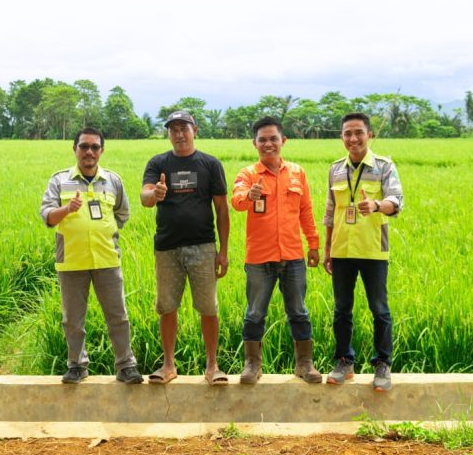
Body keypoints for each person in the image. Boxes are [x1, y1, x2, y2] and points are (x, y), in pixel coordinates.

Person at [39, 128, 143, 384]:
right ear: (74, 149)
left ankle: (126, 366)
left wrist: (103, 232)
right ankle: (76, 365)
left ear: (101, 151)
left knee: (118, 316)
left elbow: (122, 214)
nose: (89, 152)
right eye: (84, 146)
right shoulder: (59, 180)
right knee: (73, 320)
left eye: (95, 147)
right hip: (72, 261)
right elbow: (47, 216)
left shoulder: (113, 180)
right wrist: (67, 209)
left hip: (107, 259)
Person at [140, 110, 230, 385]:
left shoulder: (210, 164)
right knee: (167, 306)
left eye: (184, 128)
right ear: (168, 134)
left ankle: (212, 365)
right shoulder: (158, 163)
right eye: (173, 129)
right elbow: (145, 197)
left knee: (208, 307)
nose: (179, 134)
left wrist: (223, 251)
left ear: (195, 130)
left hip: (203, 246)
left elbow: (222, 209)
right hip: (167, 247)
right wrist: (155, 194)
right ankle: (168, 365)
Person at [231, 116, 322, 384]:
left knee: (298, 311)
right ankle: (252, 364)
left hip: (293, 256)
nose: (268, 144)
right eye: (262, 140)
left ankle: (304, 363)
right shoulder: (248, 174)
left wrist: (313, 243)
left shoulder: (297, 173)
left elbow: (306, 211)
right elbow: (236, 200)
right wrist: (249, 196)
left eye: (273, 139)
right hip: (260, 258)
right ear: (254, 143)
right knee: (255, 313)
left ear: (284, 140)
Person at [322, 112, 403, 391]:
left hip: (373, 249)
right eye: (347, 133)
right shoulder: (335, 169)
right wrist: (327, 248)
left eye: (358, 132)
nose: (353, 138)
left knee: (379, 309)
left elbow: (397, 201)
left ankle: (383, 363)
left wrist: (377, 205)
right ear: (341, 137)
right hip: (342, 248)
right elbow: (330, 211)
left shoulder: (383, 166)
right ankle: (344, 361)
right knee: (342, 309)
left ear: (370, 135)